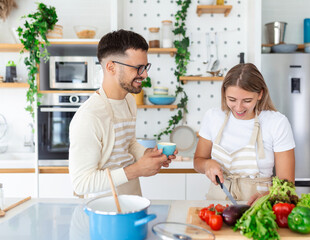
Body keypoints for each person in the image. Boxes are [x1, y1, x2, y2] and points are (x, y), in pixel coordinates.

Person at [69, 29, 176, 198]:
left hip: (132, 197)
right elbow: (81, 183)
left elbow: (129, 143)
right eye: (138, 68)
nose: (145, 74)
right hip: (103, 208)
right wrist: (137, 169)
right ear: (111, 67)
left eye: (145, 67)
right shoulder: (89, 117)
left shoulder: (129, 101)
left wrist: (148, 155)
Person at [194, 63, 295, 206]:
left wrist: (268, 197)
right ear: (224, 93)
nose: (239, 108)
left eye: (247, 101)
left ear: (260, 94)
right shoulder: (213, 117)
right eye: (232, 100)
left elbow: (287, 185)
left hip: (258, 207)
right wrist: (207, 164)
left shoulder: (277, 122)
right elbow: (198, 161)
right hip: (217, 204)